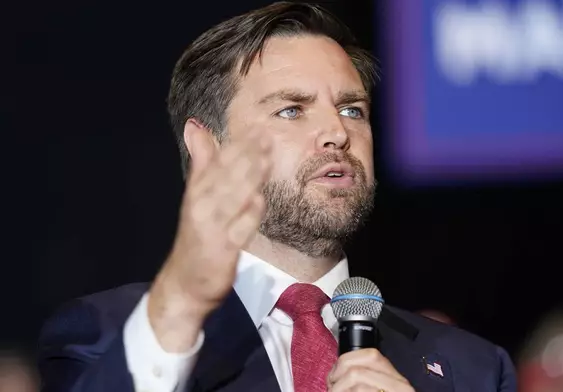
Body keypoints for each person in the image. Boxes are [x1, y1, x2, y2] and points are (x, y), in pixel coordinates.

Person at [37, 2, 517, 391]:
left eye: (352, 109)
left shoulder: (472, 368)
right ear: (207, 148)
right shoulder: (111, 334)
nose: (336, 132)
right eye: (292, 111)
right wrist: (180, 306)